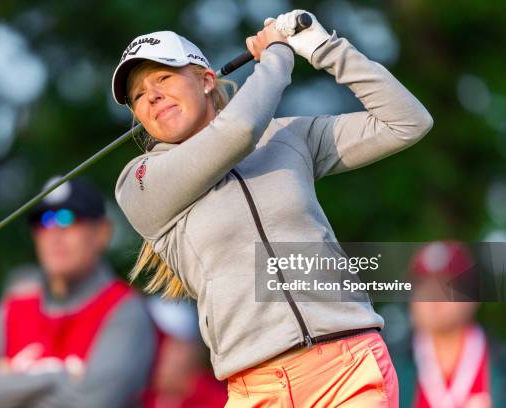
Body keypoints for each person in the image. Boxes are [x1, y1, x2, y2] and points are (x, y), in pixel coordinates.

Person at [112, 9, 433, 407]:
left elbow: (407, 122)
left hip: (346, 367)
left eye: (163, 78)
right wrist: (276, 58)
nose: (152, 96)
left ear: (206, 79)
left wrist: (324, 48)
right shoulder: (140, 181)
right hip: (255, 389)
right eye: (138, 95)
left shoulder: (286, 137)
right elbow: (238, 132)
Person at [0, 177, 157, 408]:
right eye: (44, 221)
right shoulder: (15, 305)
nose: (54, 234)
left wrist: (8, 382)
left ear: (102, 232)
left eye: (68, 219)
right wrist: (56, 376)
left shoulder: (125, 310)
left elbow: (92, 403)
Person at [389, 241, 506, 408]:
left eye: (446, 286)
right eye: (422, 287)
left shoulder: (500, 364)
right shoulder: (389, 366)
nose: (432, 298)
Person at [142, 297, 228, 407]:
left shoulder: (220, 400)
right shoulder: (137, 396)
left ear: (183, 351)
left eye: (159, 340)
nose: (145, 351)